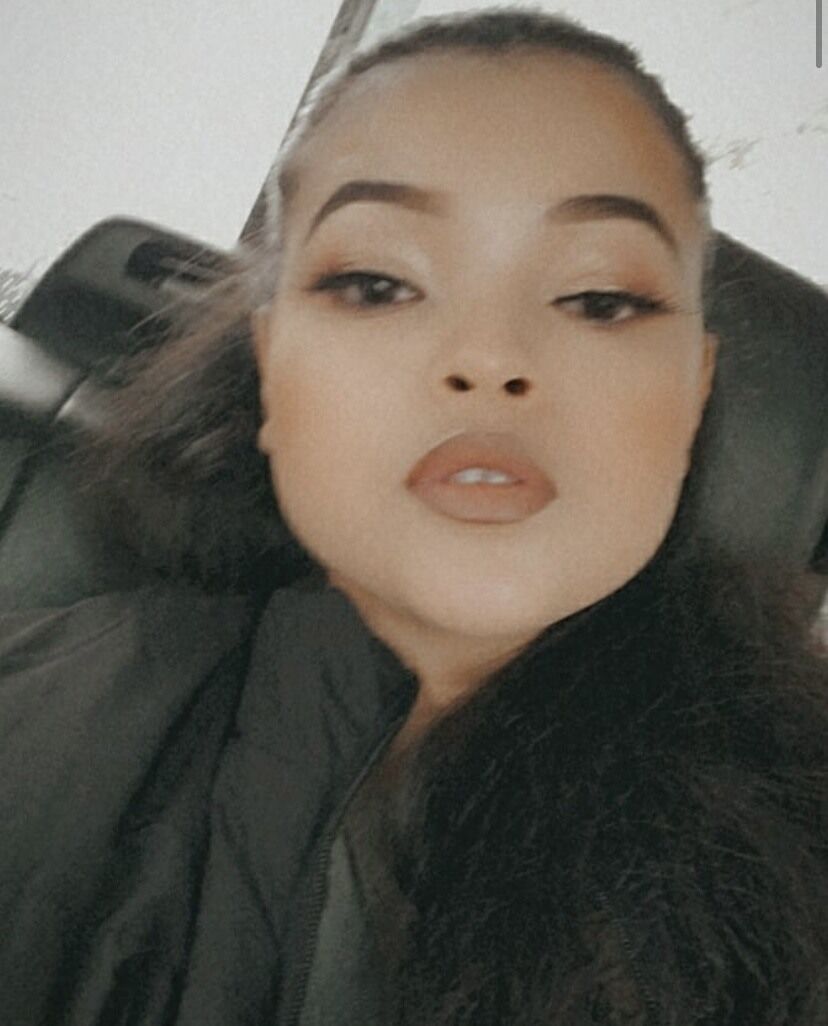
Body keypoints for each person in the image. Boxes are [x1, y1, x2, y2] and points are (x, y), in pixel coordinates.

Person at [2, 8, 827, 1025]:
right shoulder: (36, 720)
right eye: (382, 284)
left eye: (599, 300)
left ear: (692, 398)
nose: (489, 359)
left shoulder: (790, 868)